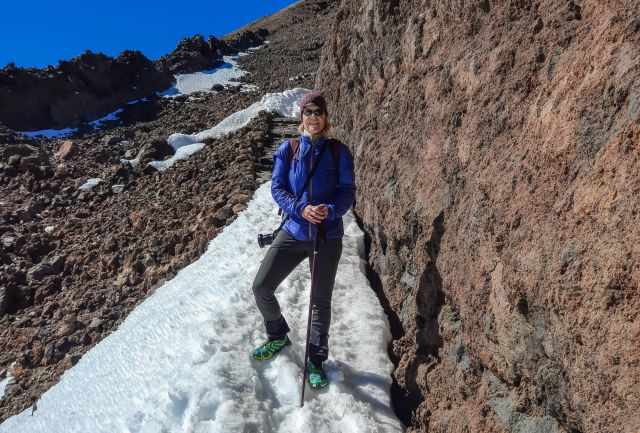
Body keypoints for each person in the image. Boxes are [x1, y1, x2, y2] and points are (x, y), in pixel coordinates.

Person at [251, 91, 356, 389]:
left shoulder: (339, 152)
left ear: (325, 118)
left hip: (327, 234)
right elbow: (278, 188)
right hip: (295, 230)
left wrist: (330, 210)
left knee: (319, 300)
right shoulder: (289, 149)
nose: (313, 118)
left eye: (318, 113)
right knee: (261, 286)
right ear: (302, 118)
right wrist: (301, 209)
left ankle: (316, 360)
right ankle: (278, 335)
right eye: (308, 113)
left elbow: (347, 190)